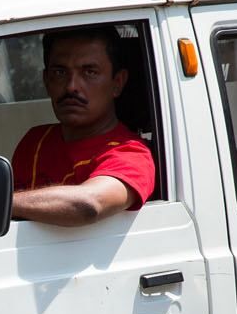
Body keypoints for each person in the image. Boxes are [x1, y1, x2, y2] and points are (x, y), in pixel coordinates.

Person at [10, 26, 156, 226]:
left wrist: (1, 202)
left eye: (89, 72)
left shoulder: (131, 154)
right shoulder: (35, 140)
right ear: (46, 80)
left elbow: (89, 204)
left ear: (118, 83)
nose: (71, 86)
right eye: (60, 72)